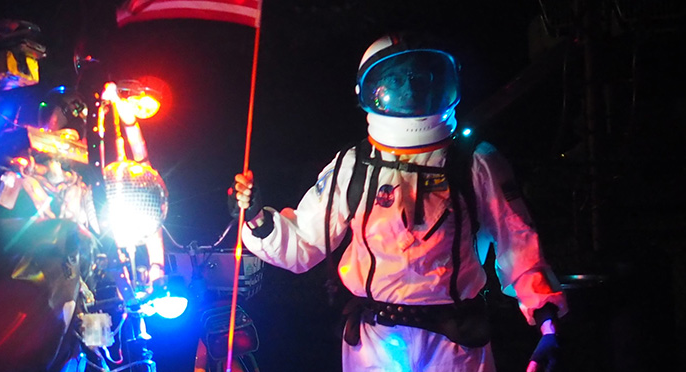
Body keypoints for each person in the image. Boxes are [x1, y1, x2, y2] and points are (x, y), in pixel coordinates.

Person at [231, 33, 567, 372]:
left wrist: (547, 322)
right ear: (370, 91)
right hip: (376, 340)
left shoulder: (475, 164)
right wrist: (258, 220)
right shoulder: (355, 164)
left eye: (418, 80)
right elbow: (303, 244)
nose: (408, 92)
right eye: (395, 81)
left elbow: (519, 245)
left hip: (455, 344)